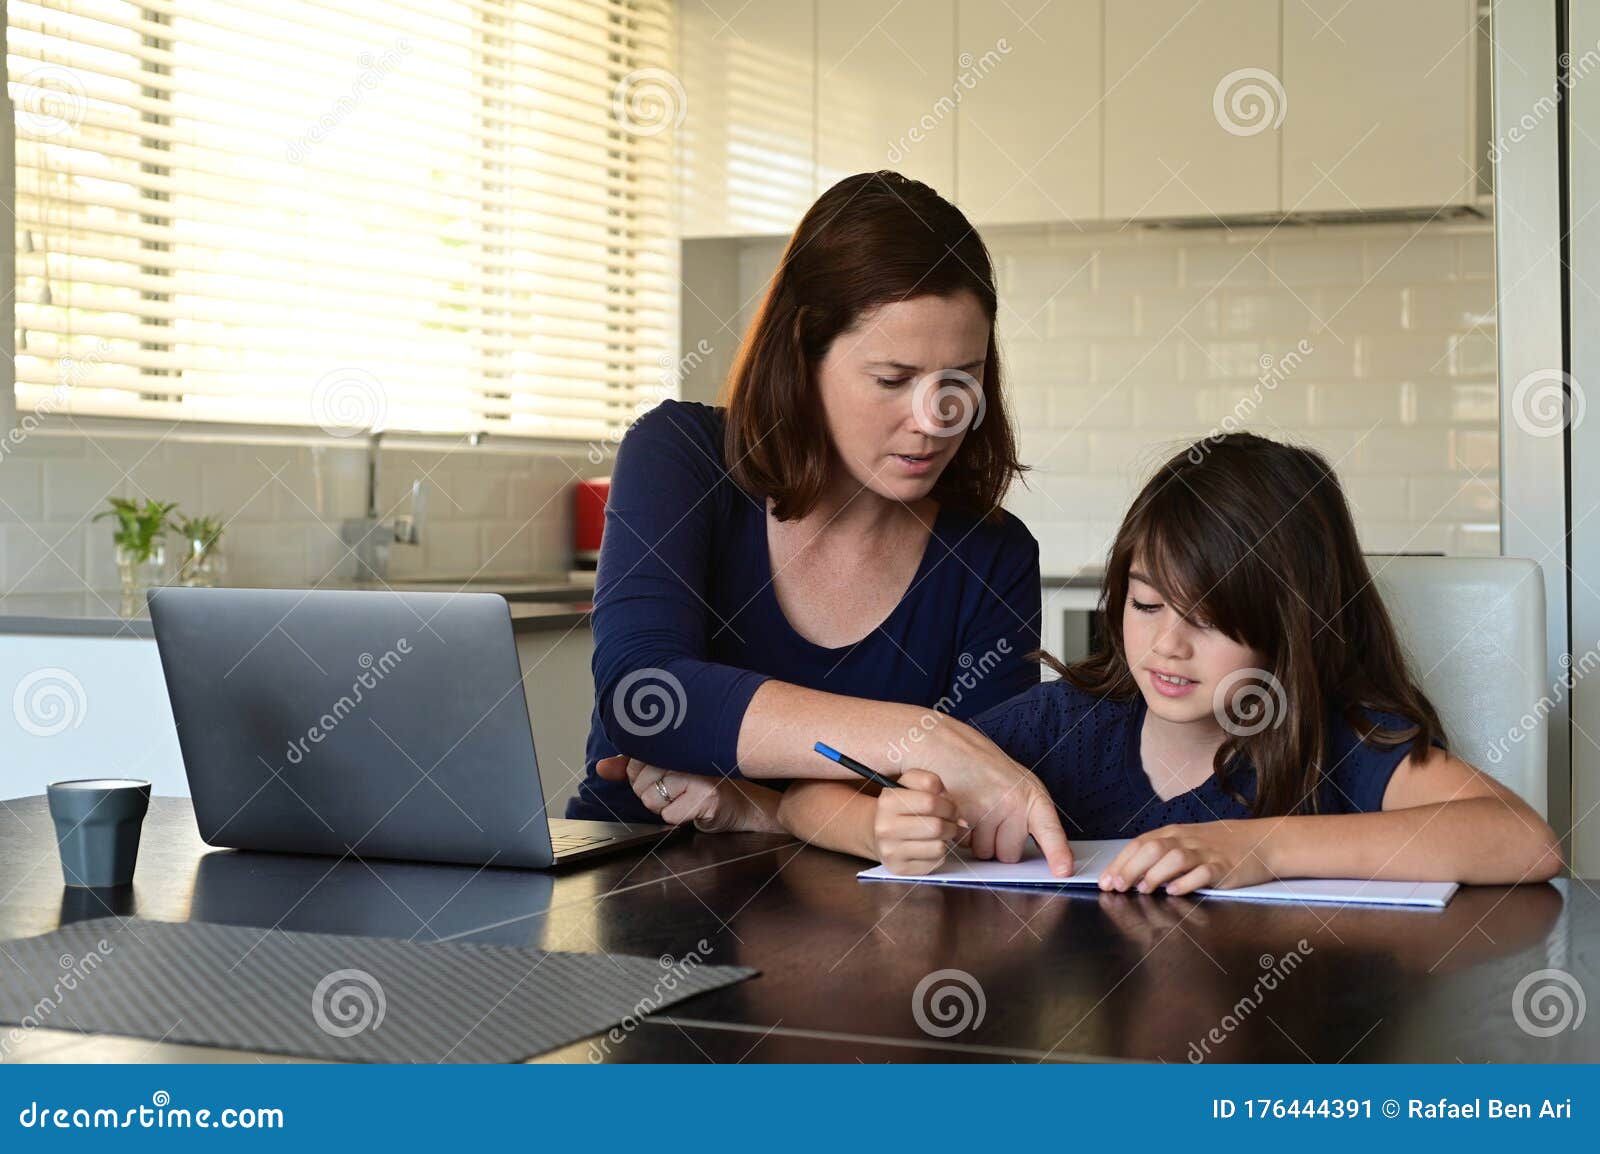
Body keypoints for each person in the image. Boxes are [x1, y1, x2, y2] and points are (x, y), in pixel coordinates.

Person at [778, 433, 1564, 890]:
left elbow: (1523, 841)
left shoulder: (1341, 741)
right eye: (1146, 606)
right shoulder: (1060, 725)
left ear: (1288, 631)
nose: (1168, 646)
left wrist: (1259, 847)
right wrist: (888, 827)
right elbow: (808, 801)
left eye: (1213, 622)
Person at [569, 170, 1073, 875]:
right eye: (893, 379)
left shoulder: (991, 556)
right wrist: (924, 740)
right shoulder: (681, 456)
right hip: (633, 881)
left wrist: (763, 806)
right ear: (804, 351)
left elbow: (975, 811)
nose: (936, 420)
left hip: (871, 923)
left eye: (962, 377)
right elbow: (645, 696)